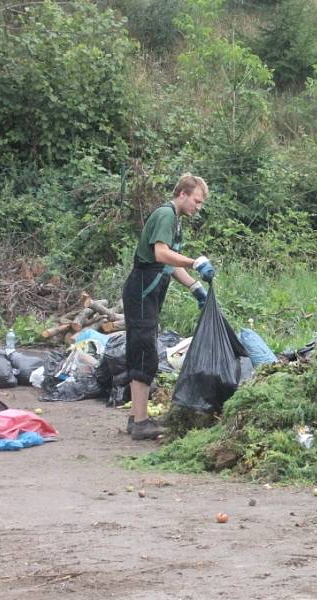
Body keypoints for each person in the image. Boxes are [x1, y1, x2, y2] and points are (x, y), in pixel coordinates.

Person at [124, 173, 215, 440]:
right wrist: (195, 262)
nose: (198, 207)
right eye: (196, 201)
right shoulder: (165, 214)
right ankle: (140, 423)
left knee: (144, 349)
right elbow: (160, 254)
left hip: (148, 295)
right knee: (144, 353)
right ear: (183, 194)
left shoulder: (175, 220)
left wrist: (194, 287)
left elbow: (169, 264)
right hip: (141, 292)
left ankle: (136, 418)